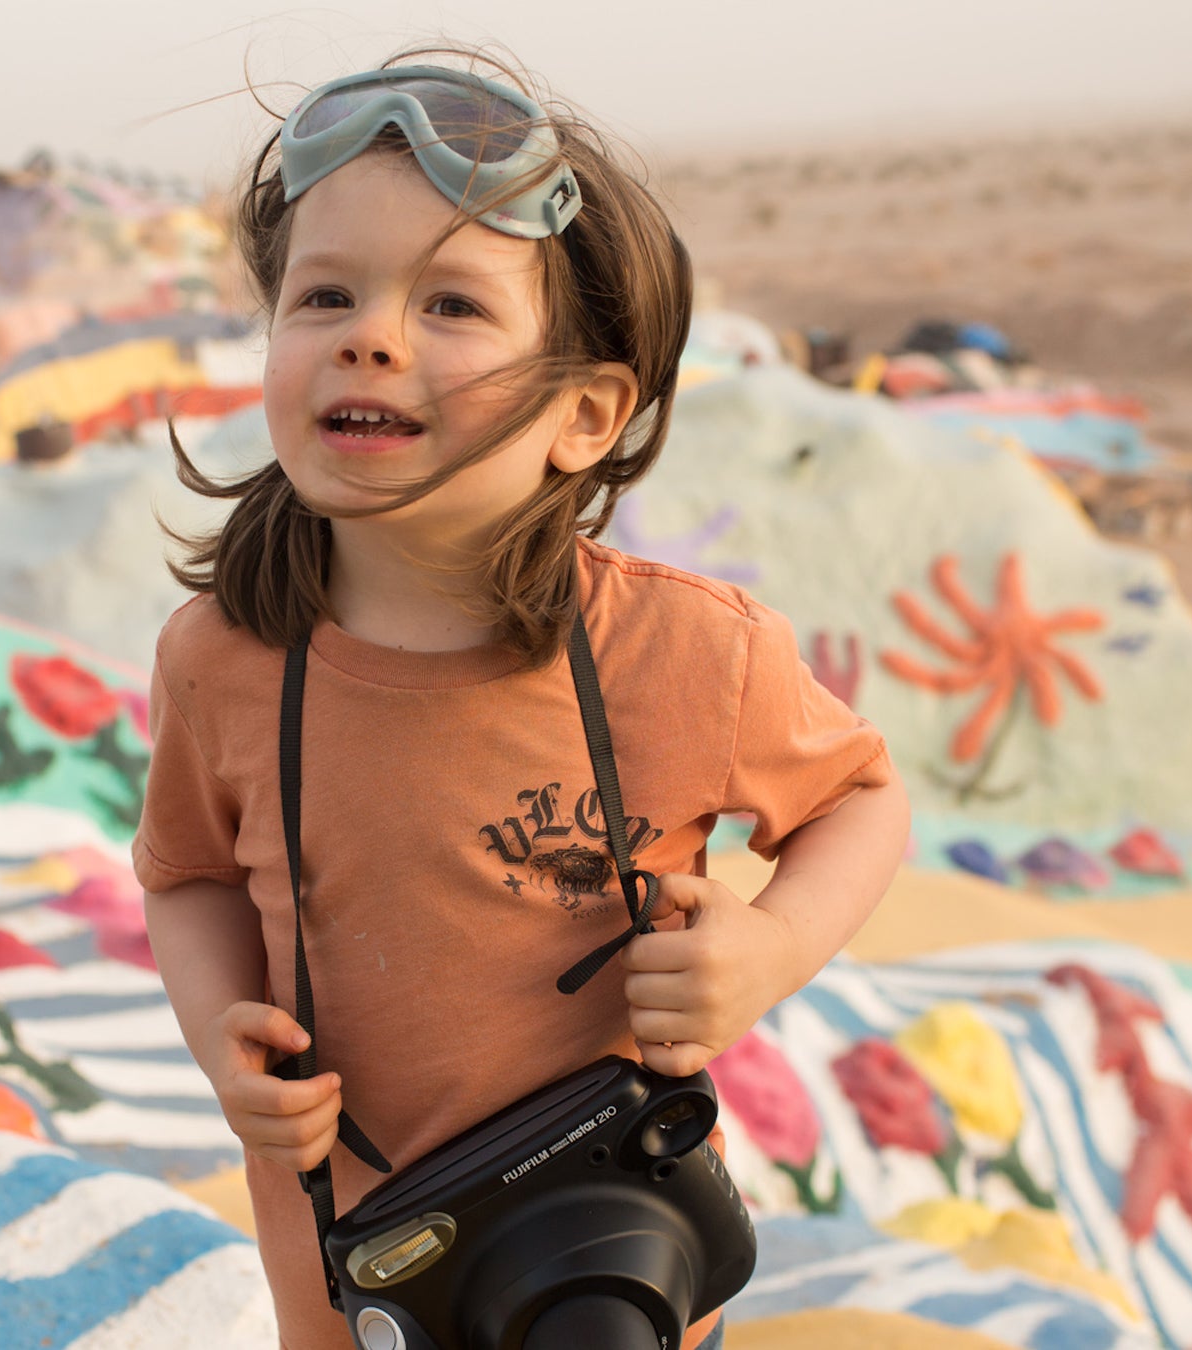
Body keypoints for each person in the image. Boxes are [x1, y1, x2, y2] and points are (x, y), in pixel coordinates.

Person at [135, 53, 911, 1350]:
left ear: (585, 413)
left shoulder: (685, 651)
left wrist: (770, 950)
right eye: (324, 292)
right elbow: (189, 877)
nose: (369, 333)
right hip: (351, 1258)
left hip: (600, 1236)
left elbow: (862, 799)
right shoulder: (224, 656)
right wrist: (225, 1039)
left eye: (451, 304)